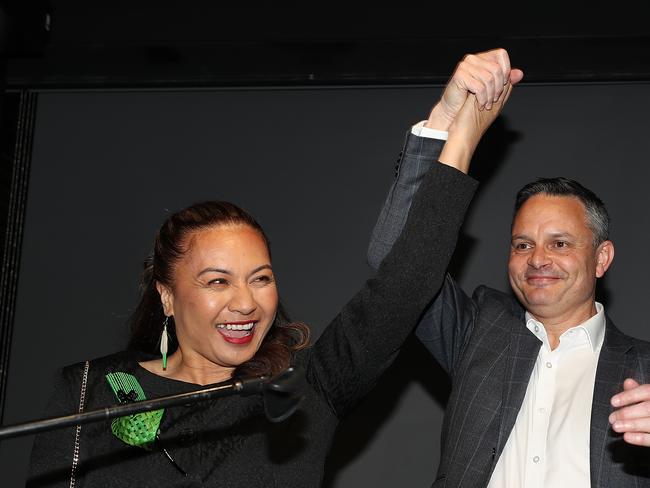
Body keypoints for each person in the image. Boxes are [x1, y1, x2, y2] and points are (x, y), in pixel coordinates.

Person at [25, 51, 515, 487]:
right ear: (167, 295)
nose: (245, 302)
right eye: (218, 281)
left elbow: (408, 279)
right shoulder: (91, 390)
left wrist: (452, 128)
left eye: (260, 278)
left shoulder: (306, 389)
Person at [368, 48, 650, 487]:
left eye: (559, 243)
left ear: (602, 258)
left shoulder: (646, 369)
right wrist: (444, 121)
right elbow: (394, 258)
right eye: (523, 244)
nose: (538, 259)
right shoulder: (479, 334)